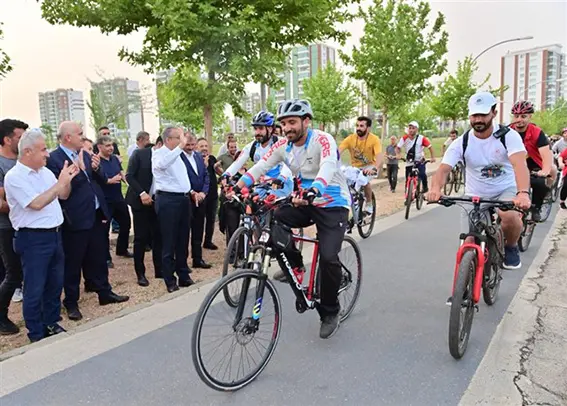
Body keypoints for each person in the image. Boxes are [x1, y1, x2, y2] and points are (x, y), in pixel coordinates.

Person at [232, 99, 351, 339]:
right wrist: (239, 184)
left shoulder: (322, 139)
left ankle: (330, 311)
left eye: (292, 122)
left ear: (306, 121)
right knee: (275, 218)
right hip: (303, 201)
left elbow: (328, 165)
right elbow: (261, 167)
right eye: (284, 123)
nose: (287, 128)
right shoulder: (282, 146)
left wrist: (316, 188)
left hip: (332, 202)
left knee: (328, 257)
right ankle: (295, 265)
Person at [427, 91, 531, 271]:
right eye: (475, 115)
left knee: (509, 216)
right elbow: (443, 169)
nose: (478, 119)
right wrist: (435, 189)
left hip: (504, 190)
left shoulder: (509, 136)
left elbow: (520, 165)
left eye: (483, 114)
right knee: (468, 240)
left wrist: (522, 193)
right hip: (475, 194)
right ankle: (462, 292)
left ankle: (511, 246)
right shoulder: (462, 142)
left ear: (494, 113)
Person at [47, 122, 129, 321]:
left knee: (99, 255)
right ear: (67, 137)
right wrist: (78, 169)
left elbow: (98, 180)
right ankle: (72, 302)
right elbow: (61, 190)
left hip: (96, 213)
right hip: (75, 218)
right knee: (74, 262)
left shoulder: (84, 154)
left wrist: (94, 167)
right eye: (80, 134)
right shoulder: (55, 159)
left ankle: (104, 292)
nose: (83, 138)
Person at [5, 129, 79, 342]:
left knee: (55, 284)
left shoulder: (45, 173)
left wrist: (67, 180)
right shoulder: (15, 177)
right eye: (43, 149)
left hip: (55, 235)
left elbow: (63, 195)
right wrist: (59, 184)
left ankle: (51, 322)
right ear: (27, 152)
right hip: (33, 239)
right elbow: (36, 204)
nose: (47, 154)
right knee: (35, 287)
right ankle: (36, 333)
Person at [220, 111, 293, 246]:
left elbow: (288, 165)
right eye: (255, 128)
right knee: (252, 203)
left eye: (260, 128)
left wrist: (281, 178)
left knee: (273, 208)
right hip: (263, 183)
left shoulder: (281, 143)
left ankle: (280, 238)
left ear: (270, 129)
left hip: (282, 183)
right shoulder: (252, 146)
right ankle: (257, 240)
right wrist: (226, 175)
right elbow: (238, 163)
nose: (257, 132)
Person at [152, 127, 194, 292]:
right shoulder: (159, 154)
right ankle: (170, 280)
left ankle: (183, 274)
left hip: (183, 199)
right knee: (169, 241)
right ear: (169, 139)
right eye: (179, 138)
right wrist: (179, 148)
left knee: (183, 239)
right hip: (168, 200)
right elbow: (162, 165)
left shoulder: (177, 155)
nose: (182, 141)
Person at [0, 119, 27, 335]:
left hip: (26, 226)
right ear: (7, 139)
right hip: (6, 227)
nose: (23, 140)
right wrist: (24, 203)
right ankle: (1, 316)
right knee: (13, 274)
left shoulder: (22, 162)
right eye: (20, 137)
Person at [510, 100, 555, 222]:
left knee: (539, 183)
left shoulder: (537, 132)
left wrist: (545, 170)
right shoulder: (508, 131)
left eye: (523, 116)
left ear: (530, 117)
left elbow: (546, 155)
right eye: (516, 116)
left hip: (533, 164)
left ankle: (536, 207)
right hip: (514, 164)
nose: (519, 120)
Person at [125, 139, 162, 286]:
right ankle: (140, 273)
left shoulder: (166, 159)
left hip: (156, 201)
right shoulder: (140, 154)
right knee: (141, 238)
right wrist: (142, 193)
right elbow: (129, 176)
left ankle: (159, 269)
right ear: (159, 144)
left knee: (158, 236)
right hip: (139, 201)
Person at [97, 136, 132, 261]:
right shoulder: (96, 162)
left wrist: (127, 181)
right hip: (105, 200)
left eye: (111, 145)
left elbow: (121, 173)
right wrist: (109, 181)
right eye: (107, 145)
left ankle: (122, 249)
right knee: (104, 230)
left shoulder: (115, 159)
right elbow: (98, 179)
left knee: (126, 223)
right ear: (99, 147)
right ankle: (106, 257)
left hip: (118, 198)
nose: (111, 148)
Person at [339, 116, 383, 211]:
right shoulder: (350, 139)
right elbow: (338, 151)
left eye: (362, 126)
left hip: (370, 167)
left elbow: (379, 156)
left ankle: (369, 204)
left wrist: (374, 168)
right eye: (357, 125)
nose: (358, 128)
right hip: (354, 167)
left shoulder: (374, 139)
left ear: (368, 128)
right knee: (344, 183)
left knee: (364, 180)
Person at [180, 133, 211, 269]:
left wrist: (203, 193)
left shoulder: (198, 156)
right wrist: (192, 192)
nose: (190, 148)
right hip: (186, 199)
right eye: (188, 145)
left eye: (193, 145)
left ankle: (197, 259)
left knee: (198, 229)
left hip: (201, 198)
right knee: (185, 231)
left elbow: (205, 175)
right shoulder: (179, 157)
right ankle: (183, 262)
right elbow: (181, 178)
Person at [396, 121, 435, 193]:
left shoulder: (421, 138)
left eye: (413, 128)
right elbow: (398, 147)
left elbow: (430, 147)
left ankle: (425, 187)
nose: (411, 130)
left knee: (422, 174)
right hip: (409, 161)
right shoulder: (404, 138)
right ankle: (407, 196)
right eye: (410, 128)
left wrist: (432, 157)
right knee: (408, 179)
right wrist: (398, 154)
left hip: (420, 160)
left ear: (416, 129)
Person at [197, 137, 219, 250]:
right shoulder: (195, 160)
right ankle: (197, 243)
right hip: (201, 194)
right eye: (202, 146)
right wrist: (204, 165)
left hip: (213, 194)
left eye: (206, 146)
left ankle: (208, 241)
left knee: (211, 219)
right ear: (197, 147)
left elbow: (217, 171)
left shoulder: (212, 158)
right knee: (200, 220)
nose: (204, 148)